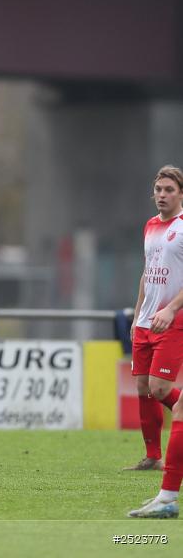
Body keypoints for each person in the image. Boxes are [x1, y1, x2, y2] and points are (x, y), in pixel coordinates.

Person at [127, 166, 183, 518]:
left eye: (168, 189)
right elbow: (148, 272)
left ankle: (166, 493)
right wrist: (137, 315)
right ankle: (152, 455)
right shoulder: (150, 226)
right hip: (147, 321)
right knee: (143, 387)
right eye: (158, 189)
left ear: (180, 194)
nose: (161, 194)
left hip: (172, 321)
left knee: (162, 390)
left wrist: (172, 309)